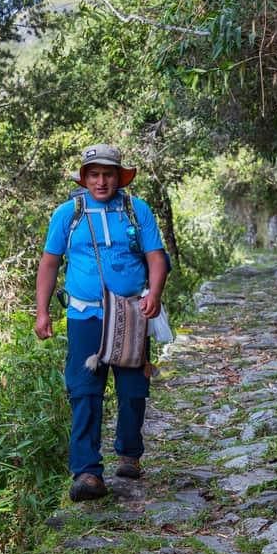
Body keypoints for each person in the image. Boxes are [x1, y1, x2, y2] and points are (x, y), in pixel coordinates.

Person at [35, 144, 168, 501]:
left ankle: (129, 453)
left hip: (131, 312)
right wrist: (43, 311)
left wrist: (153, 293)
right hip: (84, 314)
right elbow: (49, 263)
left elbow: (156, 258)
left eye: (108, 174)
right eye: (94, 174)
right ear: (84, 178)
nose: (101, 181)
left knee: (132, 390)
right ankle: (87, 472)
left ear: (119, 177)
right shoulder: (69, 214)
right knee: (84, 392)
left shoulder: (136, 210)